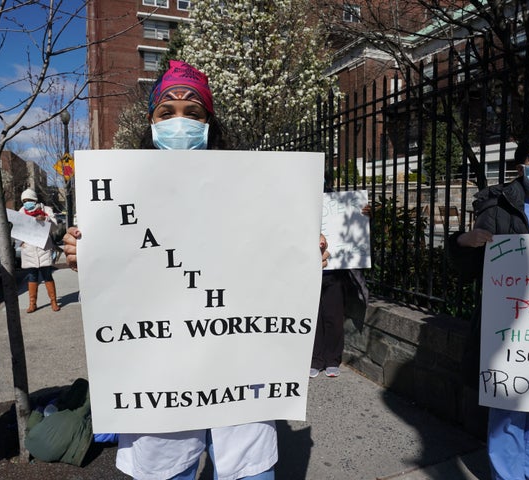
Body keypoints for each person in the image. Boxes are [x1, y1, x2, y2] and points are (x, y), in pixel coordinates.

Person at [63, 59, 328, 480]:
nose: (180, 121)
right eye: (167, 112)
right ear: (150, 123)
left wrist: (302, 254)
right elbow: (124, 278)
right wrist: (88, 256)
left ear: (210, 122)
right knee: (166, 469)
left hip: (240, 362)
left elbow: (269, 262)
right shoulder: (121, 190)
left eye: (194, 112)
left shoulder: (253, 187)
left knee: (249, 468)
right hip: (158, 370)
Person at [448, 131, 529, 480]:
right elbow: (471, 267)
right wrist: (465, 241)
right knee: (509, 409)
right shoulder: (498, 205)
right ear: (523, 165)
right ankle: (507, 475)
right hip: (513, 330)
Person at [310, 206, 370, 379]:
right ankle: (315, 360)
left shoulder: (337, 204)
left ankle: (332, 360)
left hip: (334, 273)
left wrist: (364, 218)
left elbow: (353, 231)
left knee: (333, 317)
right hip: (309, 272)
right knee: (314, 318)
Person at [19, 188, 61, 313]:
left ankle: (53, 301)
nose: (27, 203)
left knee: (47, 275)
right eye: (24, 201)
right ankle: (32, 304)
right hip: (29, 249)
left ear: (35, 199)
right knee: (32, 277)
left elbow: (55, 228)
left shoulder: (46, 210)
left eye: (29, 200)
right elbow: (17, 230)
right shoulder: (21, 212)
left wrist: (45, 219)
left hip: (43, 248)